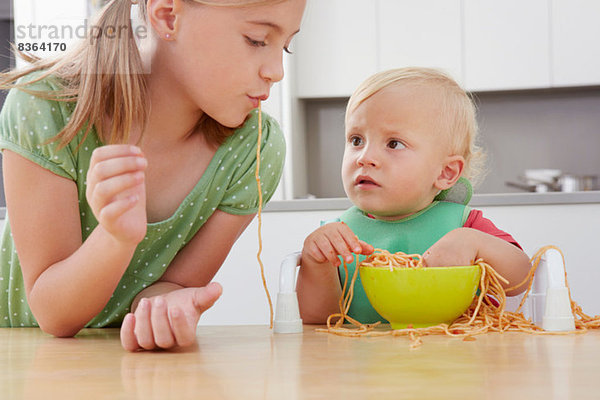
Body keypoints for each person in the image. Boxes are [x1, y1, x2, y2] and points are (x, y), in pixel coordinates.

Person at [0, 0, 306, 351]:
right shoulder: (45, 109)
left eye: (285, 45)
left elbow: (173, 285)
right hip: (25, 362)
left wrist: (165, 306)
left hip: (137, 371)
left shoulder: (254, 150)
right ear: (167, 16)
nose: (277, 71)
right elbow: (54, 315)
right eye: (256, 39)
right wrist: (115, 238)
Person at [296, 67, 532, 325]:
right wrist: (315, 262)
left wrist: (474, 243)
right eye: (356, 140)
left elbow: (521, 279)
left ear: (446, 172)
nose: (365, 158)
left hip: (456, 358)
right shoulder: (337, 236)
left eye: (393, 144)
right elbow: (319, 319)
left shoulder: (464, 225)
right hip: (363, 363)